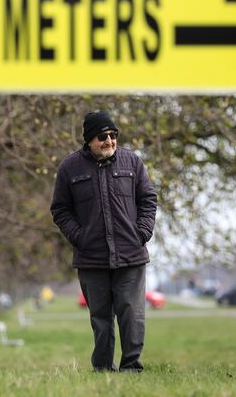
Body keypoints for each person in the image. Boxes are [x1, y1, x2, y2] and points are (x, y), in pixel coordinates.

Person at [51, 110, 157, 372]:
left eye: (113, 135)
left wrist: (141, 233)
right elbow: (60, 209)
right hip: (91, 258)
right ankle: (102, 369)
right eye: (103, 136)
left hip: (131, 256)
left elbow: (148, 200)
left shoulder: (132, 163)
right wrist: (78, 237)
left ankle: (131, 367)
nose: (109, 141)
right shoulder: (69, 167)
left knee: (132, 314)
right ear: (89, 140)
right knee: (101, 319)